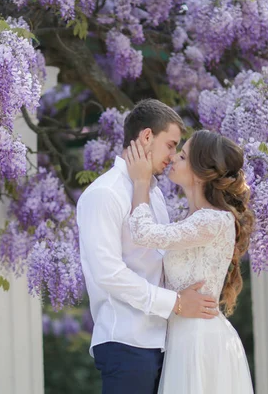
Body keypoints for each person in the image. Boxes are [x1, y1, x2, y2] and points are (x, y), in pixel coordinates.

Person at [77, 99, 219, 394]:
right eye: (170, 145)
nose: (172, 156)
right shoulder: (104, 194)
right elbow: (108, 274)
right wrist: (176, 303)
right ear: (145, 137)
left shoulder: (153, 195)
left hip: (165, 342)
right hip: (127, 343)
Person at [124, 129, 255, 393]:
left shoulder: (213, 220)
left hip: (198, 339)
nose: (173, 158)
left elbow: (144, 233)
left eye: (182, 156)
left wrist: (140, 183)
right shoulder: (193, 219)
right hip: (184, 334)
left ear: (199, 173)